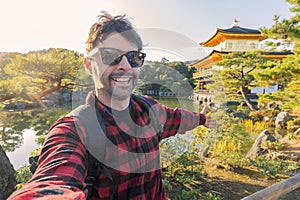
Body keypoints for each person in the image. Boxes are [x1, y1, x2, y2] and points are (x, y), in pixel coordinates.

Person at [8, 11, 215, 200]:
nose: (125, 65)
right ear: (89, 65)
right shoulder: (76, 130)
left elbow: (177, 119)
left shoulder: (150, 110)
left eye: (133, 57)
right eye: (110, 55)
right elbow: (53, 180)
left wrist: (202, 119)